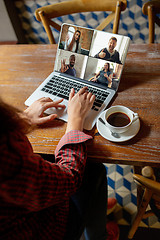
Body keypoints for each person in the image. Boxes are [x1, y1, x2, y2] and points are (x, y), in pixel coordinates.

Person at [0, 87, 119, 240]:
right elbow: (70, 176)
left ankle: (97, 208)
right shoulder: (10, 162)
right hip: (44, 227)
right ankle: (99, 234)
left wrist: (24, 118)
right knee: (94, 172)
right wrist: (75, 120)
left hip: (18, 209)